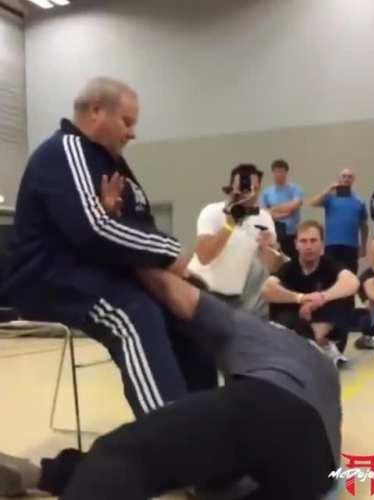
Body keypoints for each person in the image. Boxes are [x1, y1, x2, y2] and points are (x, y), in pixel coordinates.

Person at [0, 269, 340, 500]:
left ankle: (41, 474)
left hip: (271, 403)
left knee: (124, 452)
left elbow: (184, 298)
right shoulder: (326, 366)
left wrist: (127, 256)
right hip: (316, 473)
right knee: (189, 464)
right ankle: (48, 474)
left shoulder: (249, 327)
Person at [0, 77, 217, 419]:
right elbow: (95, 230)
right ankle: (173, 434)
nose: (133, 133)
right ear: (96, 111)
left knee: (188, 310)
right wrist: (172, 253)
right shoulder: (65, 150)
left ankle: (208, 421)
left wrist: (173, 275)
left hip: (93, 270)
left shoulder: (112, 163)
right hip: (46, 277)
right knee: (133, 312)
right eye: (127, 122)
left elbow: (135, 224)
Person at [189, 163, 284, 319]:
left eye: (255, 189)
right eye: (245, 189)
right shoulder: (212, 212)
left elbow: (272, 266)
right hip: (206, 292)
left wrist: (271, 248)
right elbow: (204, 256)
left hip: (238, 297)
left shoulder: (264, 218)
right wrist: (230, 223)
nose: (250, 194)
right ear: (232, 188)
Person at [263, 220, 359, 364]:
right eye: (303, 241)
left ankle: (322, 344)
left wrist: (321, 298)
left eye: (313, 241)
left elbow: (352, 282)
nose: (308, 246)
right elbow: (267, 289)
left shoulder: (330, 265)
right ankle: (308, 347)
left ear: (322, 244)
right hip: (300, 324)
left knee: (343, 296)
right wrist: (301, 298)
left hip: (328, 330)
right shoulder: (289, 268)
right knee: (280, 301)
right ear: (296, 244)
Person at [309, 168, 368, 274]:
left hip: (351, 246)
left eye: (349, 177)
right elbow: (312, 203)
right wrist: (328, 189)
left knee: (350, 276)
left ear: (353, 180)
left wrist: (363, 246)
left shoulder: (359, 201)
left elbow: (364, 225)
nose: (346, 179)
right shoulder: (329, 198)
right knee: (330, 276)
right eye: (344, 176)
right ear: (339, 179)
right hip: (331, 245)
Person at [261, 159, 303, 259]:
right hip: (275, 233)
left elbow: (294, 205)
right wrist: (281, 214)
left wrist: (273, 209)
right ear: (273, 173)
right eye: (276, 171)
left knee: (292, 260)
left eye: (281, 171)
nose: (279, 174)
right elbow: (264, 212)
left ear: (286, 173)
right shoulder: (267, 192)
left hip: (291, 233)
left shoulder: (295, 189)